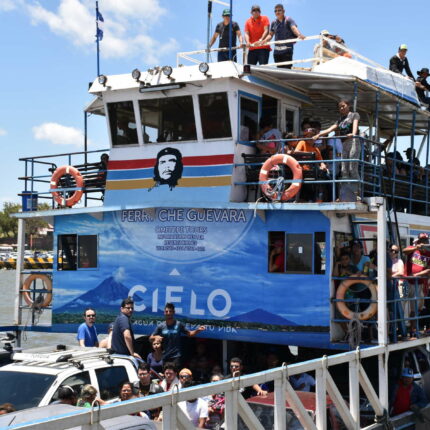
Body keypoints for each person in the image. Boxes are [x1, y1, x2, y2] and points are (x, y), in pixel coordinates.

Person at [314, 100, 361, 200]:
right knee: (344, 169)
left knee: (352, 167)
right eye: (340, 107)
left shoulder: (354, 115)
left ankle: (357, 193)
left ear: (348, 106)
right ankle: (344, 195)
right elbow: (329, 129)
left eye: (343, 106)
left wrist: (352, 133)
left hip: (353, 141)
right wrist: (319, 135)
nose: (341, 108)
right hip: (344, 143)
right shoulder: (340, 120)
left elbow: (355, 126)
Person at [149, 303, 205, 368]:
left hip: (176, 356)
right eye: (166, 311)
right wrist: (156, 337)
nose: (168, 313)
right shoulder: (161, 326)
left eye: (170, 311)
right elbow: (150, 338)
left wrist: (198, 330)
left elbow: (189, 334)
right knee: (167, 375)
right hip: (165, 356)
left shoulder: (178, 324)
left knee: (175, 374)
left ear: (173, 312)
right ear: (164, 313)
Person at [262, 3, 305, 69]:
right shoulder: (274, 22)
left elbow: (293, 28)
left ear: (283, 11)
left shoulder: (288, 20)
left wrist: (299, 34)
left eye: (279, 10)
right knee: (279, 70)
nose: (277, 12)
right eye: (275, 11)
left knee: (287, 71)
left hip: (287, 50)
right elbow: (271, 34)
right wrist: (265, 40)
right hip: (277, 52)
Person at [403, 233, 430, 335]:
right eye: (422, 241)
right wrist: (416, 248)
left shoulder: (428, 254)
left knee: (415, 308)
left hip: (418, 284)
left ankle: (412, 330)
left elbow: (428, 270)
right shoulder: (412, 249)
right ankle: (401, 328)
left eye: (425, 241)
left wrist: (417, 274)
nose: (423, 243)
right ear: (418, 241)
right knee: (401, 305)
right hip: (405, 282)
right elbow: (404, 251)